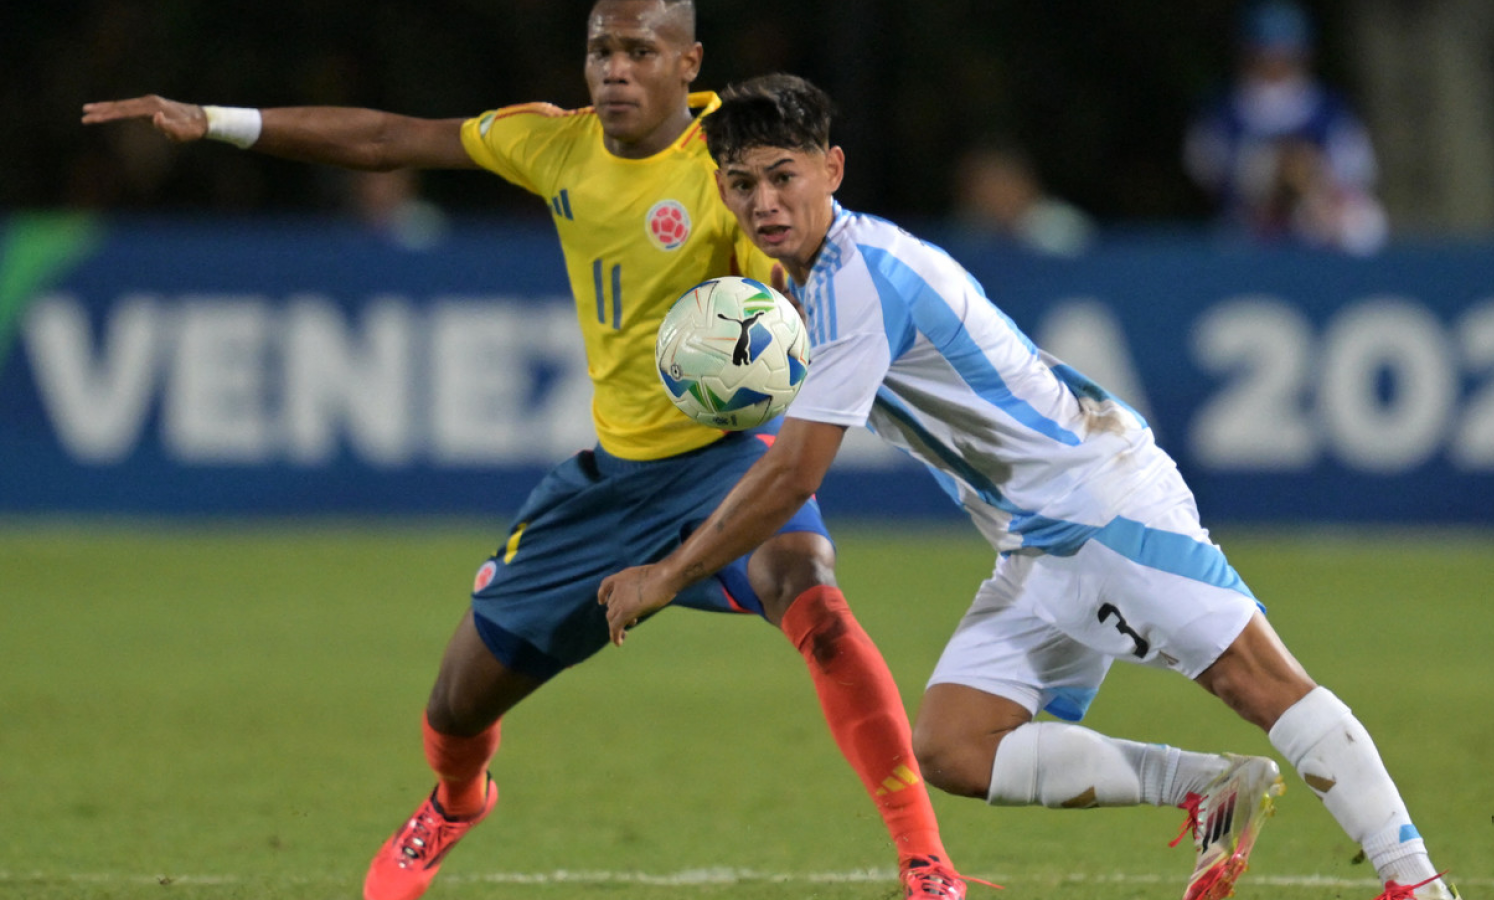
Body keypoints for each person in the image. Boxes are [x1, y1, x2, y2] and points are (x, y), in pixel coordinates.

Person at [82, 5, 971, 900]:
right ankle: (457, 801)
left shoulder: (726, 167)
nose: (615, 70)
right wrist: (217, 122)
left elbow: (788, 257)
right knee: (456, 704)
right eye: (601, 52)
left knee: (813, 594)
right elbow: (391, 139)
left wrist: (787, 301)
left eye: (639, 52)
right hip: (608, 485)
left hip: (726, 461)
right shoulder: (552, 144)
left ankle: (924, 860)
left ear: (685, 62)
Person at [599, 73, 1459, 900]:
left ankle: (1417, 882)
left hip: (1099, 502)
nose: (764, 202)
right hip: (1036, 532)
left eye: (783, 176)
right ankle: (1215, 789)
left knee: (1257, 679)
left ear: (833, 168)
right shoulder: (812, 274)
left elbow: (795, 472)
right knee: (955, 747)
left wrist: (667, 575)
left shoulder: (859, 280)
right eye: (743, 183)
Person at [1183, 0, 1387, 254]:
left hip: (1318, 233)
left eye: (1285, 51)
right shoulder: (1224, 113)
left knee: (1362, 223)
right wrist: (1273, 169)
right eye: (1267, 51)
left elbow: (1357, 171)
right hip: (1246, 234)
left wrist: (1309, 174)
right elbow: (1206, 171)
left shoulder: (1330, 110)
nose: (1276, 61)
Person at [951, 140, 1094, 257]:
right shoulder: (966, 232)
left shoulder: (1062, 224)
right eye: (985, 186)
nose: (996, 194)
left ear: (1027, 184)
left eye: (1004, 183)